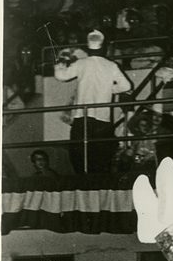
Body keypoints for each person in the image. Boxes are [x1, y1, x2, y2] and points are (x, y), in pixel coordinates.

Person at [54, 28, 131, 173]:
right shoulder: (111, 65)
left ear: (88, 48)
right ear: (103, 47)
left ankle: (84, 185)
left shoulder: (81, 63)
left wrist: (59, 65)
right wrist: (110, 89)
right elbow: (126, 86)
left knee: (79, 156)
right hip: (102, 118)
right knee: (101, 157)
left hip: (81, 117)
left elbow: (61, 76)